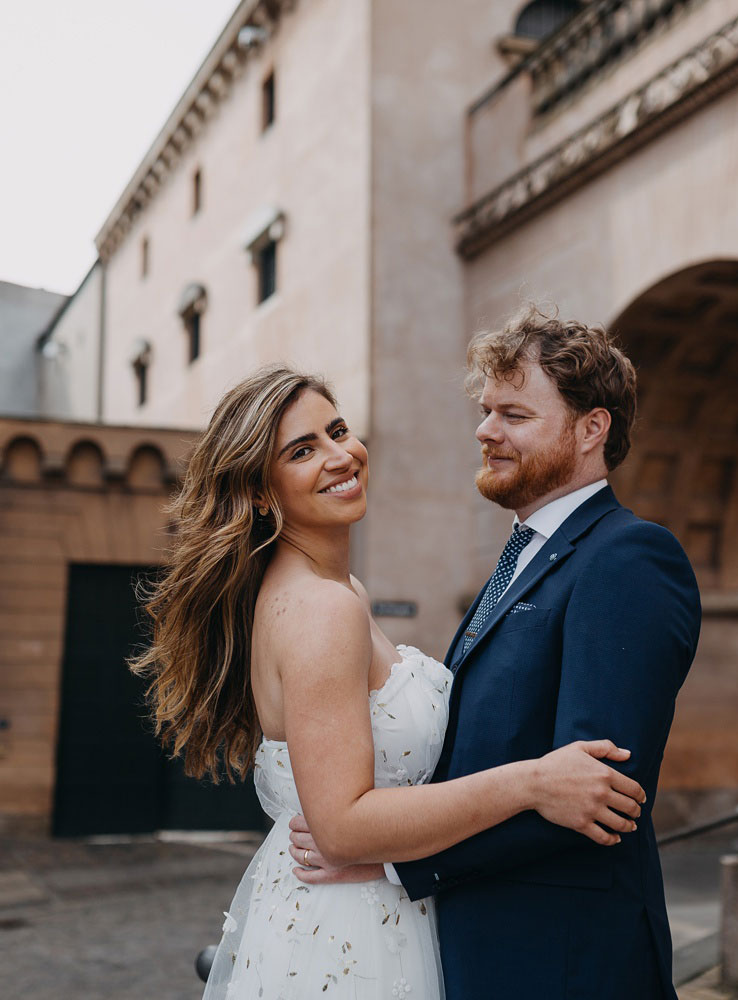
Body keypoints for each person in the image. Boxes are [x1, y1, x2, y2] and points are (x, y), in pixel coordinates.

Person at [130, 363, 648, 999]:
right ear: (263, 494)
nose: (340, 456)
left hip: (381, 908)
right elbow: (342, 828)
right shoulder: (322, 610)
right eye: (301, 450)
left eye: (338, 430)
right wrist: (533, 781)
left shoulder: (342, 591)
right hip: (348, 938)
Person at [292, 307, 702, 998]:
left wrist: (392, 863)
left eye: (513, 414)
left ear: (590, 429)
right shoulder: (521, 559)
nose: (485, 431)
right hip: (482, 951)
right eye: (486, 411)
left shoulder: (628, 558)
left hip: (566, 963)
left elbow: (598, 799)